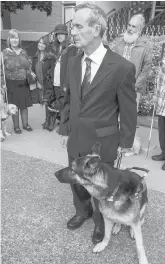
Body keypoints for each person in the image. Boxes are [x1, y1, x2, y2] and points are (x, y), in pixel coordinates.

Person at [59, 3, 137, 245]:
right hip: (76, 136)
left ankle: (100, 221)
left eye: (78, 26)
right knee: (76, 180)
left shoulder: (122, 68)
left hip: (103, 142)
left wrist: (126, 142)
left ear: (96, 28)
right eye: (73, 25)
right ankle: (81, 211)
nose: (72, 31)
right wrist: (64, 128)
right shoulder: (72, 60)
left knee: (102, 187)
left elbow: (128, 109)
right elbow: (70, 98)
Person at [114, 13, 152, 110]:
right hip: (116, 85)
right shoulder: (119, 41)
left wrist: (135, 85)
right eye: (129, 25)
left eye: (133, 26)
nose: (130, 28)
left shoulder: (145, 46)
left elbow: (146, 68)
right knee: (113, 116)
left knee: (128, 118)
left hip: (133, 88)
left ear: (140, 29)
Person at [1, 29, 34, 134]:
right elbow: (1, 70)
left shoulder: (24, 52)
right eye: (12, 37)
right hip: (11, 84)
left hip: (23, 83)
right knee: (14, 106)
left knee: (24, 105)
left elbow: (28, 67)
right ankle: (16, 126)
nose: (14, 40)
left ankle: (25, 124)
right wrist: (1, 84)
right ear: (9, 40)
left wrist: (31, 74)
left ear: (19, 39)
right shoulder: (4, 53)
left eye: (16, 37)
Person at [49, 24, 78, 131]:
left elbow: (71, 68)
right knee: (60, 103)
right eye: (58, 34)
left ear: (66, 35)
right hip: (57, 81)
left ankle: (66, 127)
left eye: (62, 34)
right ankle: (62, 124)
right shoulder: (58, 47)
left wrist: (67, 84)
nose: (59, 36)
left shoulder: (71, 48)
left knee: (66, 104)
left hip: (64, 82)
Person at [31, 36, 55, 131]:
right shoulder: (35, 57)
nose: (41, 45)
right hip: (40, 84)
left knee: (50, 103)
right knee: (45, 103)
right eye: (40, 43)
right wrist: (37, 81)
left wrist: (47, 84)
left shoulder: (50, 57)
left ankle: (51, 122)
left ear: (47, 45)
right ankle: (47, 120)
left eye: (43, 43)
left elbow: (53, 72)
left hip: (48, 84)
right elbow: (33, 70)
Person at [152, 53, 165, 171]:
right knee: (162, 129)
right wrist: (156, 94)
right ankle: (164, 152)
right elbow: (159, 78)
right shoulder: (163, 58)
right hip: (162, 100)